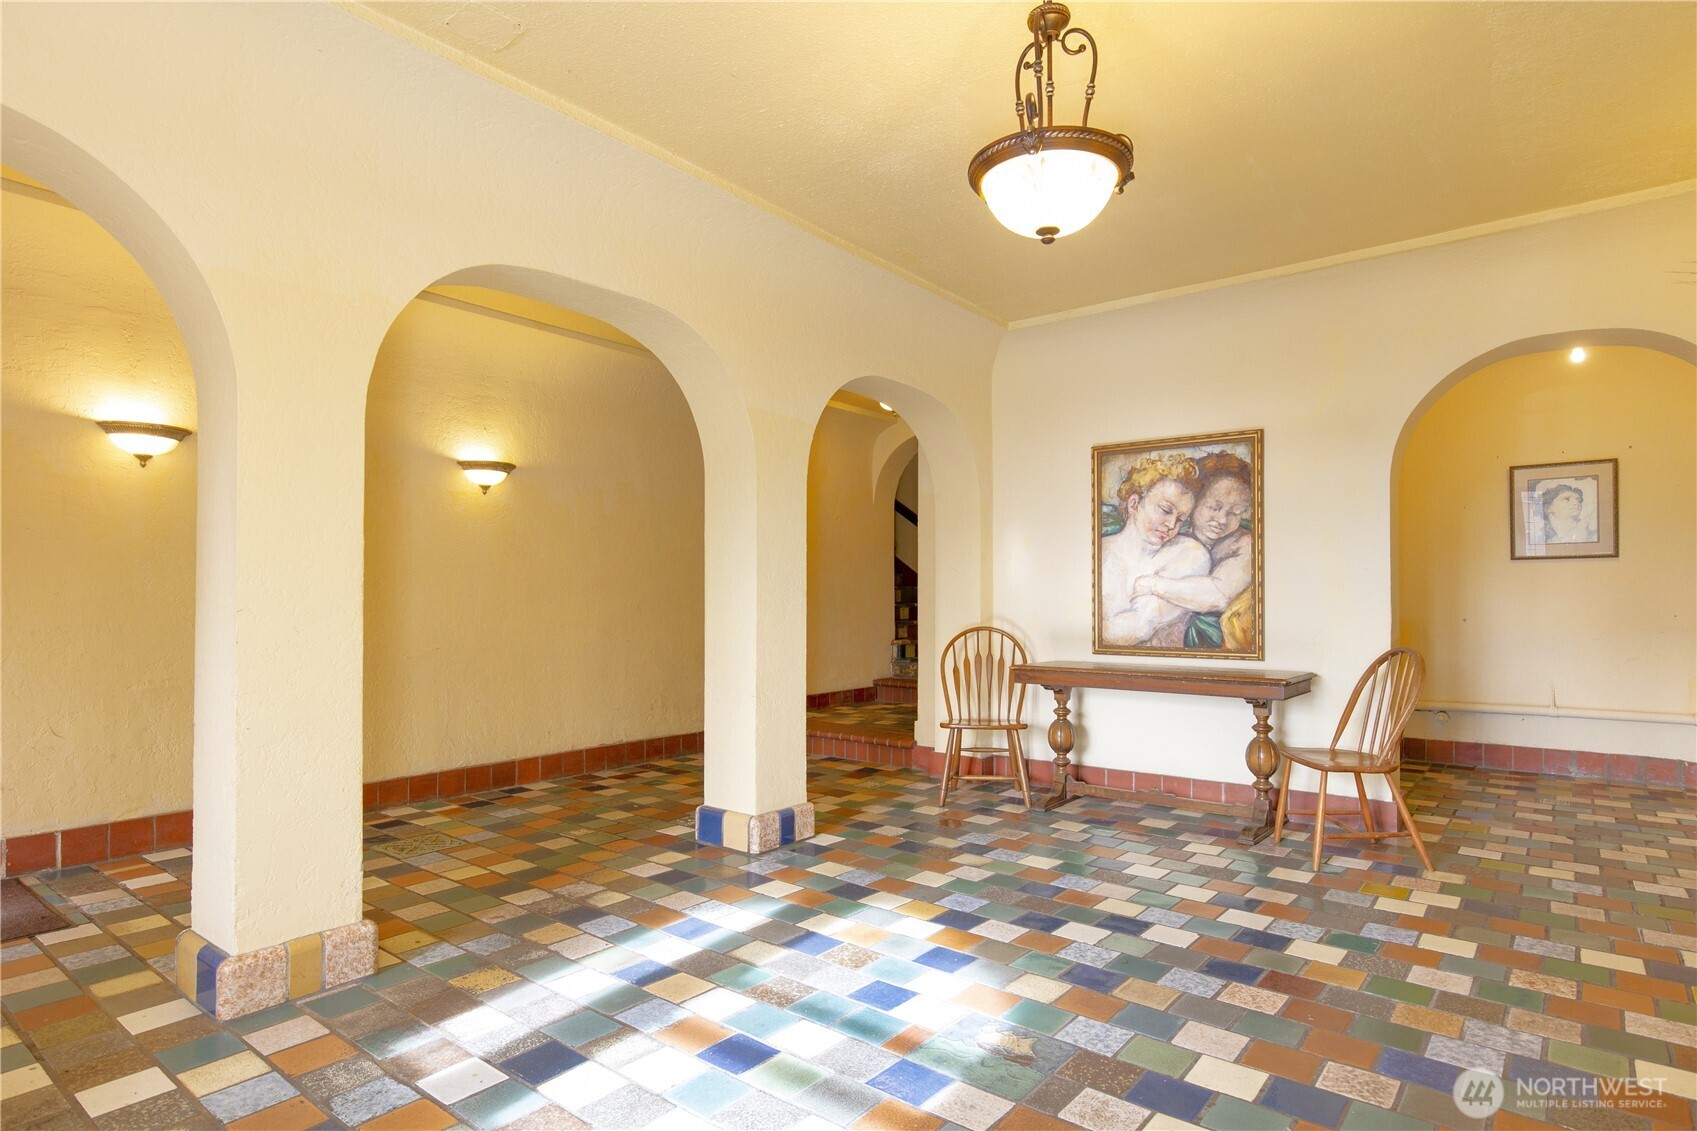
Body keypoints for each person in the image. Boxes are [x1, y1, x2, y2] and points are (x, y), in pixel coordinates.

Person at [1136, 451, 1253, 650]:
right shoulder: (1168, 530)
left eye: (1235, 512)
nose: (1222, 519)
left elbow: (1219, 595)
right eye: (1214, 507)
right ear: (1193, 501)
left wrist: (1152, 584)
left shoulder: (1245, 543)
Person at [1099, 452, 1210, 646]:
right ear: (1134, 503)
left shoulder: (1190, 554)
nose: (1171, 524)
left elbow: (1140, 626)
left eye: (1180, 519)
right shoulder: (1100, 552)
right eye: (1166, 510)